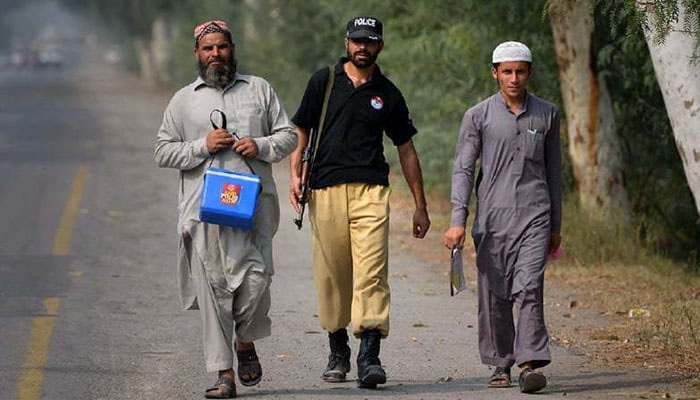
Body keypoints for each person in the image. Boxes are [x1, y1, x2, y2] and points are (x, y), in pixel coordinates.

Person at [154, 20, 296, 399]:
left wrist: (260, 146)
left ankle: (245, 341)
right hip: (204, 212)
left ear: (232, 49)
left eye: (221, 47)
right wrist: (202, 146)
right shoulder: (184, 100)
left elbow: (289, 136)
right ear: (198, 55)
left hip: (253, 210)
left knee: (256, 281)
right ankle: (224, 374)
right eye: (207, 49)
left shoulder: (259, 89)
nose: (215, 54)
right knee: (214, 290)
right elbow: (163, 150)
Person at [289, 16, 430, 389]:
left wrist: (420, 204)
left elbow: (406, 148)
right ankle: (338, 349)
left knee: (371, 273)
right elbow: (302, 128)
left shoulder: (388, 92)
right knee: (332, 274)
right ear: (346, 43)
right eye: (356, 41)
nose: (362, 47)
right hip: (325, 189)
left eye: (369, 41)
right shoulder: (324, 81)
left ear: (380, 45)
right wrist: (295, 174)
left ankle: (369, 355)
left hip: (371, 191)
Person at [443, 41, 562, 394]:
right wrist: (457, 219)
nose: (514, 78)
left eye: (520, 71)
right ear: (495, 73)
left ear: (530, 73)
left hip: (535, 215)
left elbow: (554, 172)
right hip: (491, 219)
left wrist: (557, 225)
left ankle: (530, 363)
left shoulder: (547, 113)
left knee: (528, 287)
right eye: (507, 71)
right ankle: (501, 361)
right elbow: (463, 169)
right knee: (495, 294)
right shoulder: (477, 115)